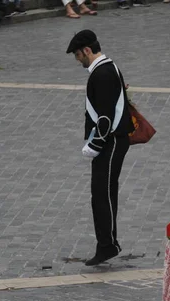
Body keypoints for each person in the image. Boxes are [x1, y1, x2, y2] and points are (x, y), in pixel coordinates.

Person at [66, 30, 134, 266]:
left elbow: (105, 117)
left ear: (87, 50)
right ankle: (107, 243)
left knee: (101, 194)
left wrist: (95, 145)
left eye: (77, 54)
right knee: (104, 192)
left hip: (110, 141)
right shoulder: (106, 68)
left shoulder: (102, 73)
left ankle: (107, 245)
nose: (77, 60)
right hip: (113, 140)